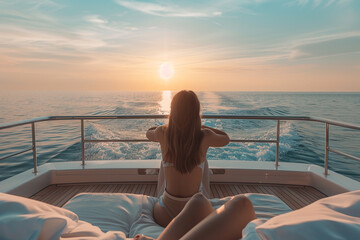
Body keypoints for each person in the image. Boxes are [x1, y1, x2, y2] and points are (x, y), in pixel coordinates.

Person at [146, 90, 230, 227]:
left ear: (173, 111)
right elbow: (226, 138)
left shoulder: (162, 132)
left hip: (165, 214)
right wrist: (200, 127)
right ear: (196, 114)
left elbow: (148, 132)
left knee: (165, 159)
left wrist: (169, 126)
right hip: (194, 212)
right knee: (203, 160)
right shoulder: (205, 136)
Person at [134, 193, 257, 240]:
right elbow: (225, 140)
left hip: (165, 207)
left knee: (242, 204)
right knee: (199, 202)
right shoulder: (203, 138)